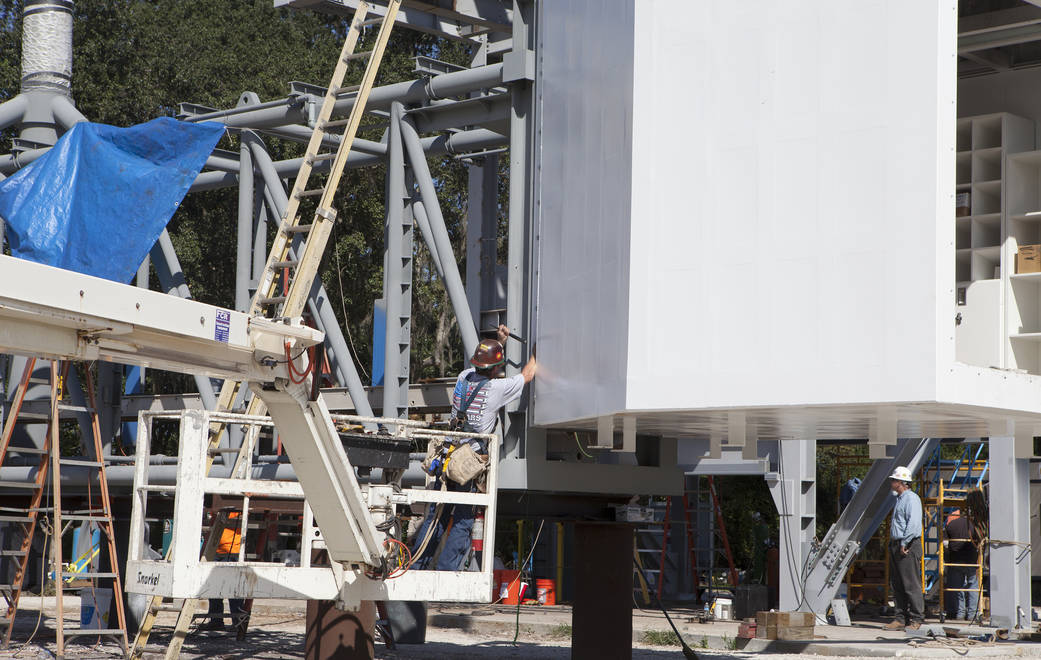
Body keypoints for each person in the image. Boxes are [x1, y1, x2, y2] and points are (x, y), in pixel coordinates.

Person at [411, 325, 536, 571]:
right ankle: (446, 574)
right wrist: (537, 348)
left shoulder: (463, 378)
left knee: (437, 516)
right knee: (463, 520)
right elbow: (528, 374)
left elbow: (484, 365)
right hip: (469, 463)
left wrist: (499, 342)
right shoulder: (496, 389)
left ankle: (416, 568)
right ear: (495, 368)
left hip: (449, 455)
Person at [884, 466, 924, 631]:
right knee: (898, 584)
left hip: (907, 545)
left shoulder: (911, 499)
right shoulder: (900, 499)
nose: (892, 483)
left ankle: (916, 619)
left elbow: (913, 525)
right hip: (898, 544)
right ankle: (900, 619)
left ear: (901, 482)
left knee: (910, 584)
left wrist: (904, 543)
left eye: (894, 480)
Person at [944, 489, 988, 622]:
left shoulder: (952, 523)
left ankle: (959, 614)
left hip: (955, 560)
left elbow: (945, 543)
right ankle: (972, 615)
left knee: (957, 588)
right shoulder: (979, 524)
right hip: (972, 560)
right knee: (972, 588)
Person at [206, 510, 245, 632]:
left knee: (233, 589)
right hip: (217, 549)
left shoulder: (239, 507)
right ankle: (217, 621)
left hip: (233, 549)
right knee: (215, 588)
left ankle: (236, 622)